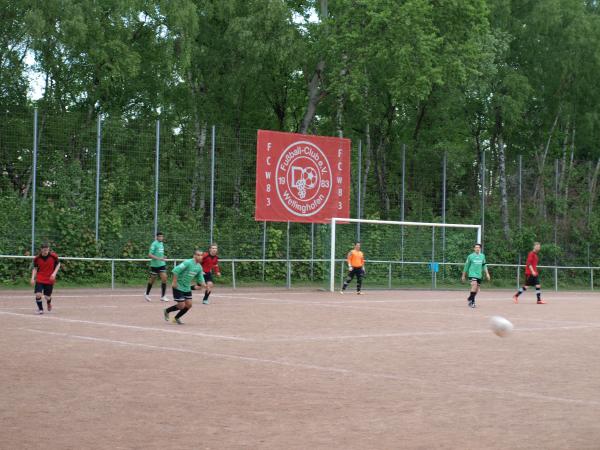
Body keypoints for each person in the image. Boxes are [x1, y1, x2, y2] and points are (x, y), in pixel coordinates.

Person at [163, 249, 206, 324]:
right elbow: (176, 270)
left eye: (201, 255)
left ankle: (176, 318)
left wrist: (205, 285)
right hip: (178, 286)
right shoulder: (187, 262)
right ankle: (167, 311)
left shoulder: (199, 267)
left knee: (189, 305)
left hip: (187, 287)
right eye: (198, 255)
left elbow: (200, 278)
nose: (200, 257)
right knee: (181, 305)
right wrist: (174, 282)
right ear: (194, 256)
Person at [30, 243, 61, 314]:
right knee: (38, 294)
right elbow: (35, 268)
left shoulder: (53, 256)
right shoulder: (37, 258)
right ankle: (40, 309)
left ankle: (49, 302)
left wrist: (54, 274)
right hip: (40, 278)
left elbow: (58, 264)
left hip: (49, 279)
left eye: (47, 250)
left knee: (47, 297)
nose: (46, 251)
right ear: (41, 250)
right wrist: (32, 278)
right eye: (44, 250)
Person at [461, 243, 490, 308]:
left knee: (476, 290)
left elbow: (484, 265)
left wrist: (487, 273)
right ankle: (472, 302)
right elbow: (466, 266)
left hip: (479, 275)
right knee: (474, 285)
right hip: (472, 274)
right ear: (474, 249)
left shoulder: (482, 256)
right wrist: (463, 275)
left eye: (478, 247)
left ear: (480, 249)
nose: (477, 248)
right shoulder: (470, 256)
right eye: (476, 247)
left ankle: (470, 298)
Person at [145, 232, 169, 302]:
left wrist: (163, 257)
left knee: (164, 278)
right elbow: (149, 255)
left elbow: (160, 254)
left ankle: (163, 296)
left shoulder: (161, 244)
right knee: (152, 280)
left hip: (162, 264)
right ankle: (147, 294)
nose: (161, 238)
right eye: (160, 236)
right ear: (157, 237)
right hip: (155, 265)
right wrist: (158, 258)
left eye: (162, 236)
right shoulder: (154, 244)